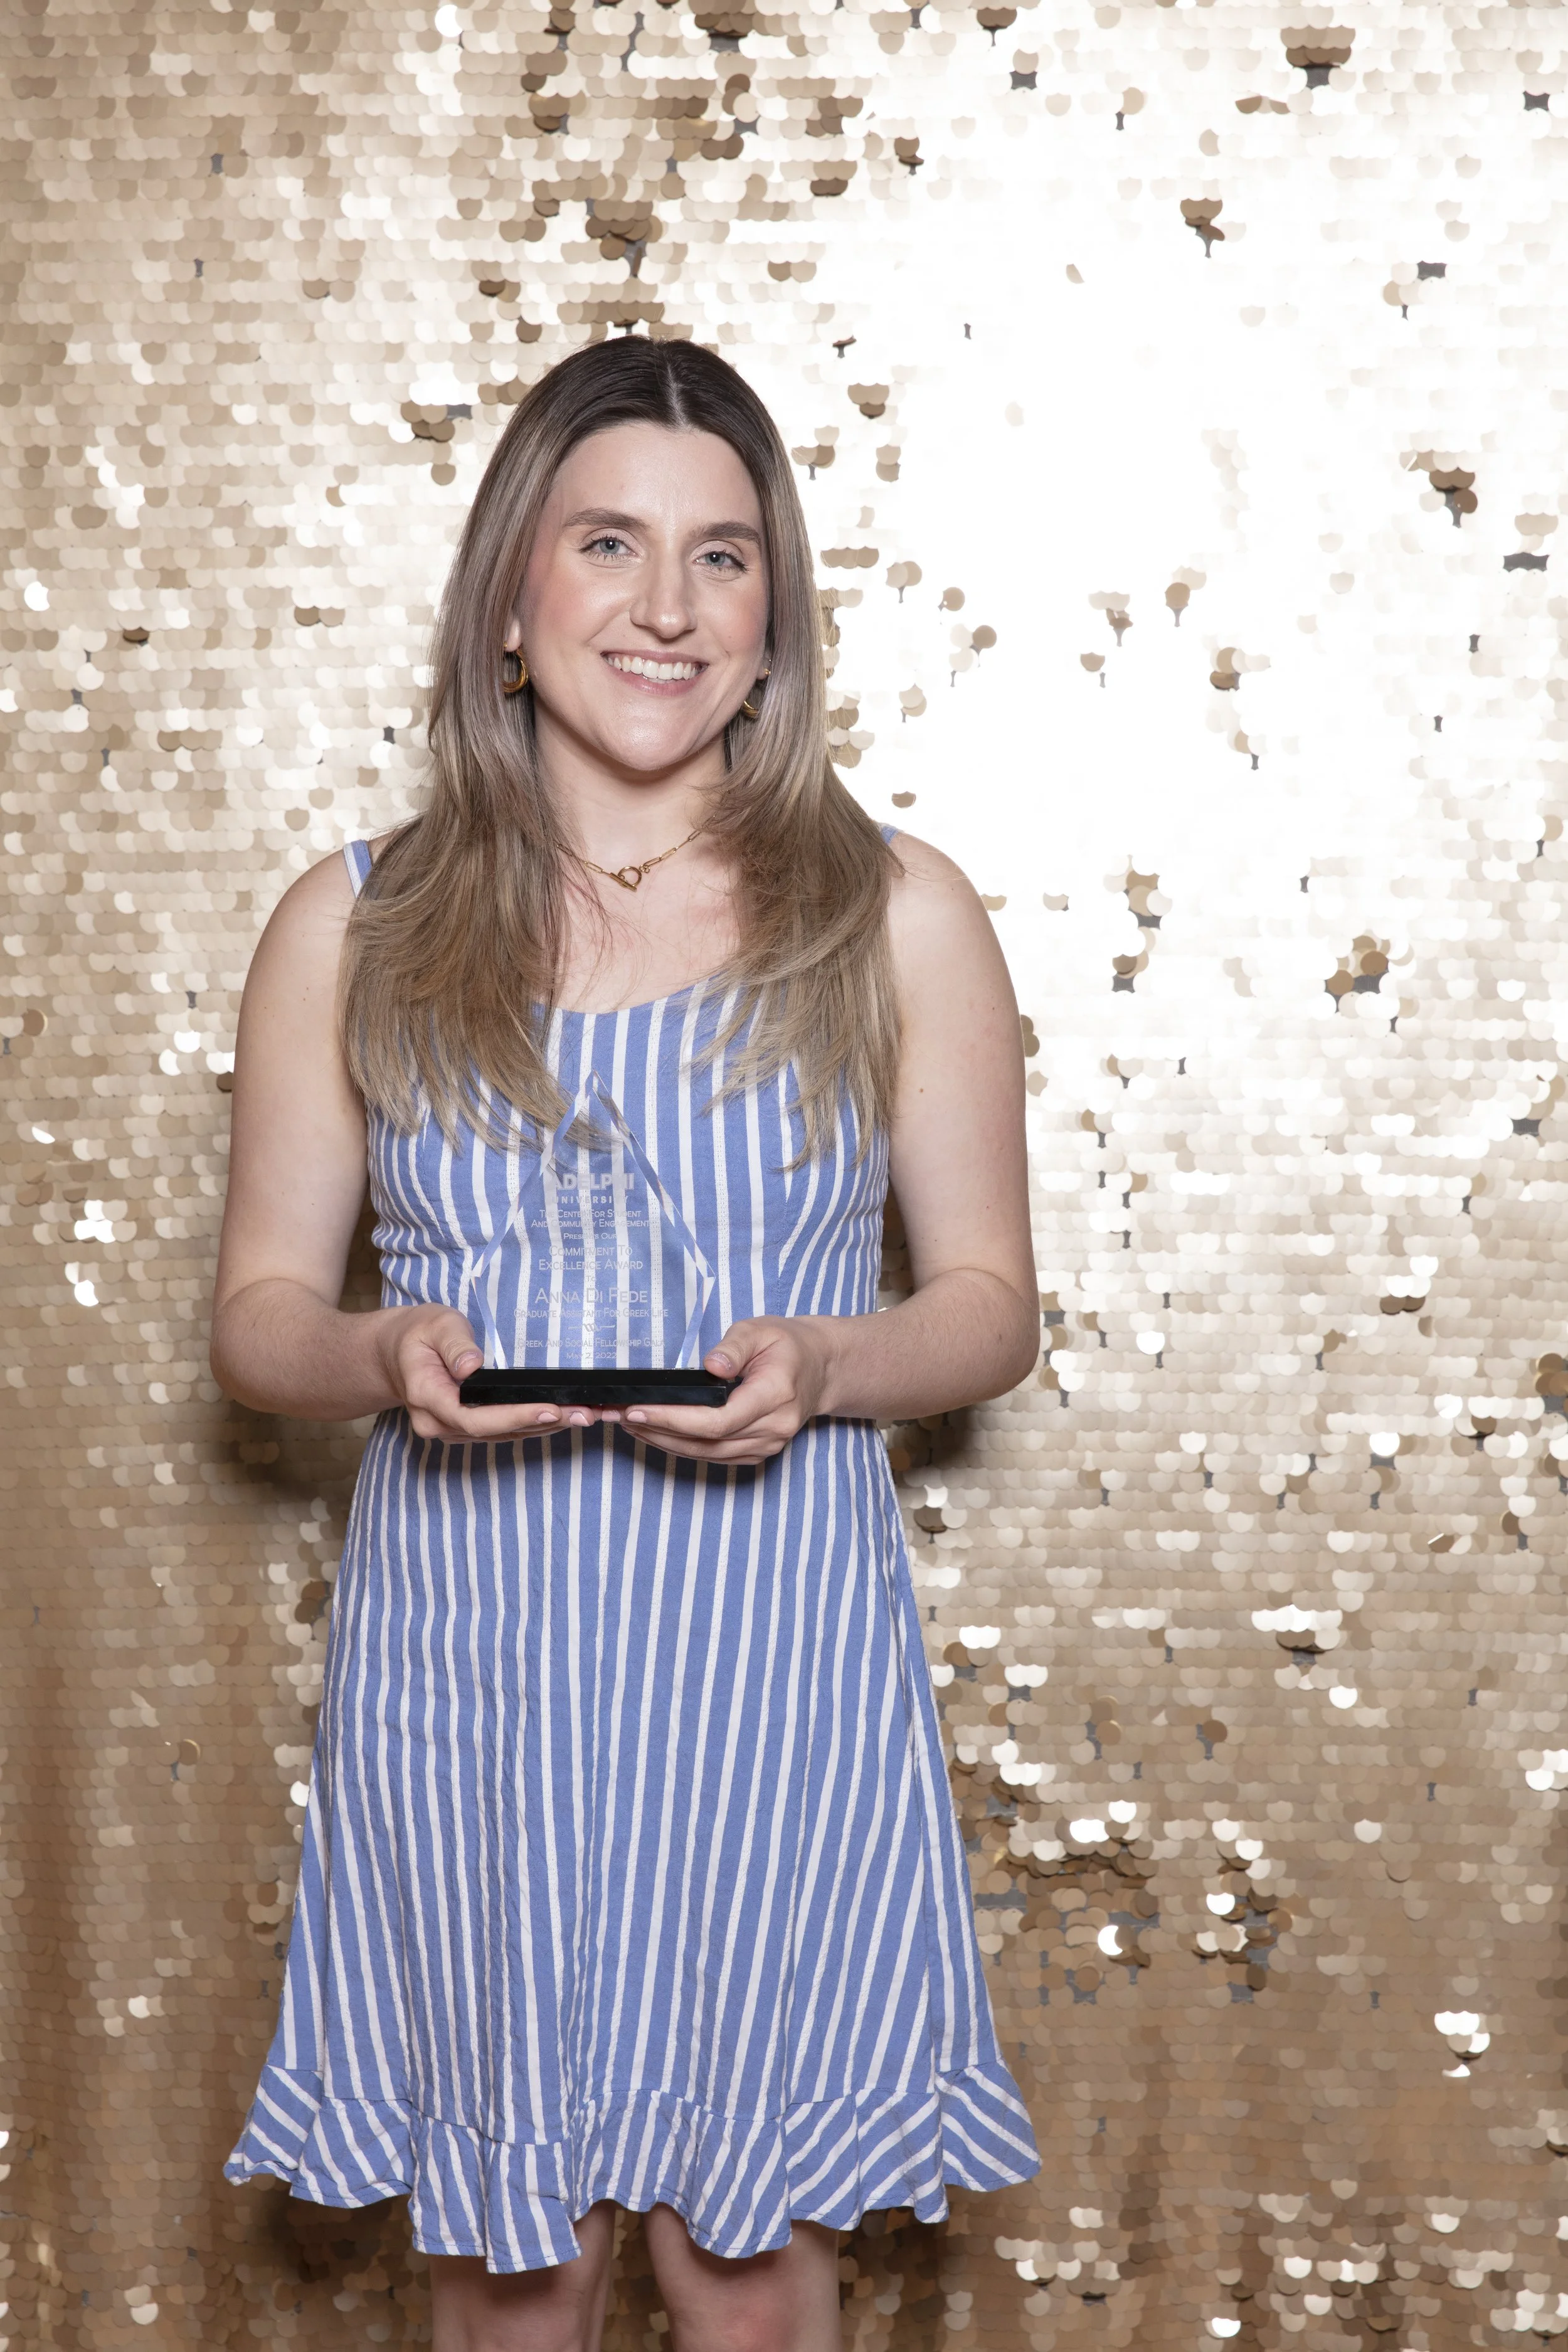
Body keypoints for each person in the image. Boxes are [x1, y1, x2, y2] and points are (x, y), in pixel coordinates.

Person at [212, 334, 1040, 2352]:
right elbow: (256, 1324)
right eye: (608, 544)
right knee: (514, 2268)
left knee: (743, 2270)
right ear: (511, 599)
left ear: (773, 626)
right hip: (477, 1661)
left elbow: (989, 1308)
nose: (667, 608)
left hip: (771, 1653)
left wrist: (832, 1370)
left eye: (724, 558)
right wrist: (386, 1351)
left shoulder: (893, 907)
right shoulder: (357, 918)